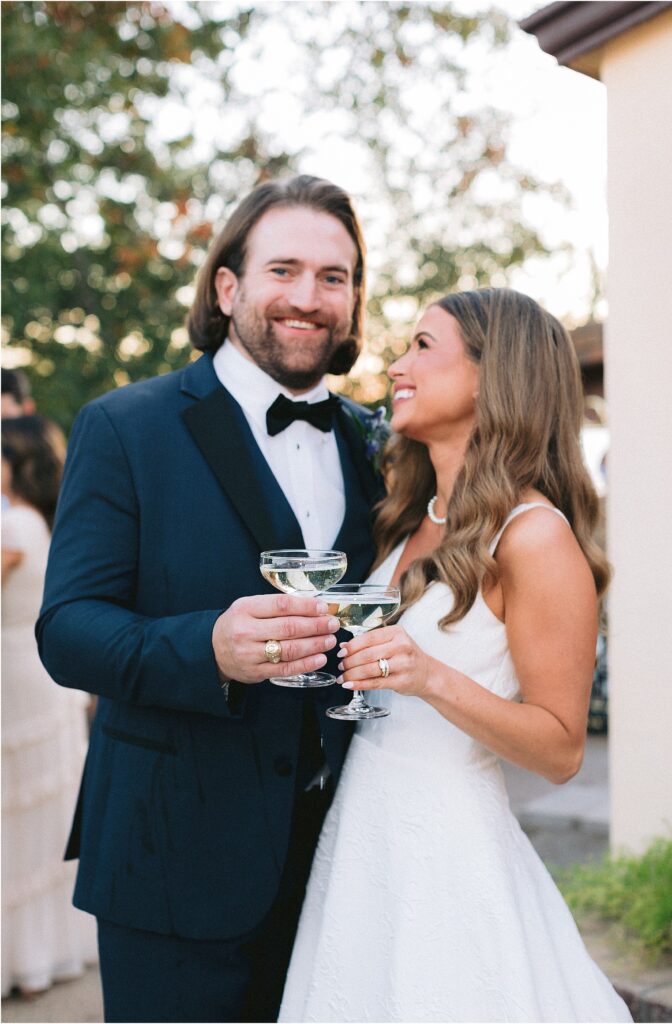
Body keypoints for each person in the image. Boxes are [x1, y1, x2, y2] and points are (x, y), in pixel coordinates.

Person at [36, 175, 383, 1023]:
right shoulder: (126, 426)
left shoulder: (383, 442)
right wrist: (209, 649)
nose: (308, 298)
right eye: (284, 270)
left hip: (351, 863)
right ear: (227, 287)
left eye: (332, 278)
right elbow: (68, 629)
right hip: (172, 859)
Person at [279, 288, 632, 1023]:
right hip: (364, 832)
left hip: (447, 851)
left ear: (489, 375)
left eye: (421, 347)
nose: (396, 366)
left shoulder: (533, 536)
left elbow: (562, 749)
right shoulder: (406, 519)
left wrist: (430, 677)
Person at [2, 415, 97, 998]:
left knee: (18, 819)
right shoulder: (46, 519)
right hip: (42, 676)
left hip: (15, 678)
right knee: (41, 815)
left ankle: (22, 959)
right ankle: (47, 954)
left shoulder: (14, 526)